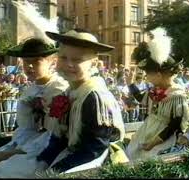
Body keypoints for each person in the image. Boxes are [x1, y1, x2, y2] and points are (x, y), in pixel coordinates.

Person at [35, 28, 126, 176]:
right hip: (73, 152)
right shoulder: (69, 92)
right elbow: (62, 136)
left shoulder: (95, 97)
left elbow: (96, 148)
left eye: (77, 60)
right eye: (63, 58)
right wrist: (43, 160)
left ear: (94, 63)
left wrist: (55, 170)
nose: (69, 64)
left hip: (97, 161)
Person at [0, 38, 69, 178]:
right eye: (27, 62)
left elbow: (55, 134)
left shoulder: (59, 90)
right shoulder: (30, 91)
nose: (30, 66)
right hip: (28, 142)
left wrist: (14, 153)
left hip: (49, 147)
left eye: (36, 61)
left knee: (3, 173)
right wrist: (13, 148)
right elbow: (26, 128)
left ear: (52, 63)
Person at [126, 27, 189, 161]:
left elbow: (174, 126)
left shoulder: (177, 95)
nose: (146, 77)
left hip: (164, 139)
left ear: (158, 74)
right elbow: (141, 98)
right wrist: (130, 84)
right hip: (148, 131)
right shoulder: (156, 91)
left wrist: (153, 143)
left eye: (148, 74)